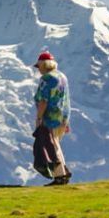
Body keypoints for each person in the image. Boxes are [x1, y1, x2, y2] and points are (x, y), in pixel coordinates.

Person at [31, 52, 72, 186]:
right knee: (55, 143)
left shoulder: (47, 79)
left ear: (44, 65)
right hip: (63, 116)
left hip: (50, 116)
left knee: (50, 146)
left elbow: (44, 101)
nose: (39, 70)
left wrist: (39, 117)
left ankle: (59, 176)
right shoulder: (62, 76)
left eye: (39, 66)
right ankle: (63, 172)